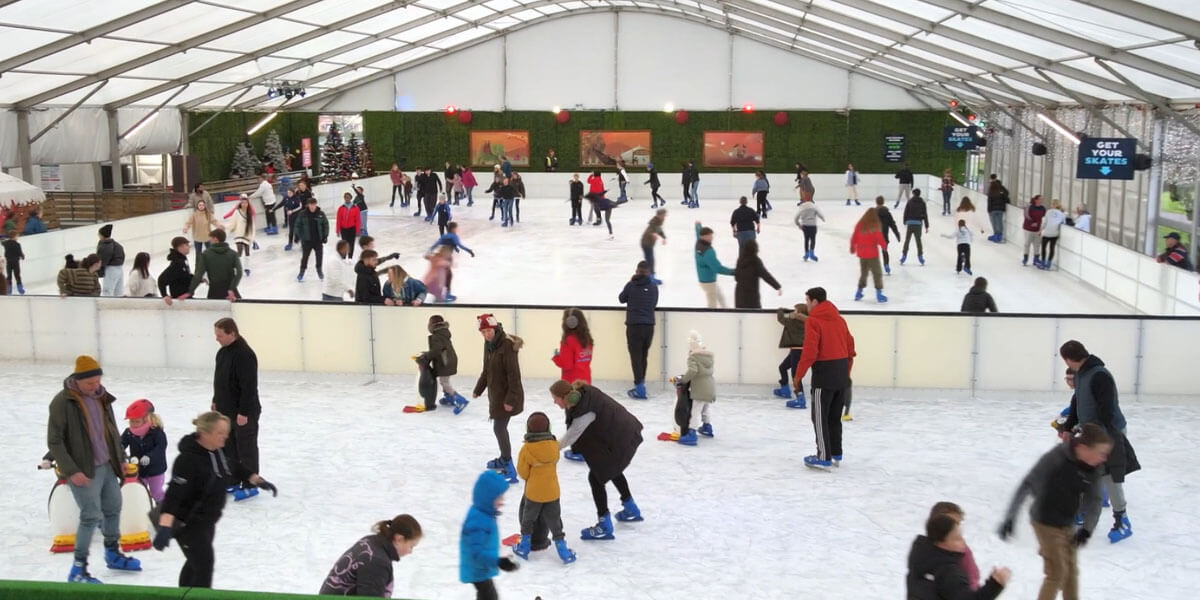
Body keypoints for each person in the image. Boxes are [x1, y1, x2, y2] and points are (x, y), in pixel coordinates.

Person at [151, 412, 276, 588]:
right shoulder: (187, 460)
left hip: (207, 522)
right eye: (220, 433)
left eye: (226, 432)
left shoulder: (217, 451)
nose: (226, 436)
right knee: (203, 567)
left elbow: (233, 467)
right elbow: (174, 494)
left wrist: (257, 480)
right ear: (205, 433)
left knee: (195, 564)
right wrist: (165, 526)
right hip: (188, 524)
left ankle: (182, 594)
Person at [47, 355, 142, 583]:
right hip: (83, 470)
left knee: (113, 507)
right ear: (77, 380)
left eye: (97, 381)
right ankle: (78, 569)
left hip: (107, 465)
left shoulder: (102, 398)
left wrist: (119, 458)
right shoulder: (62, 402)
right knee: (90, 516)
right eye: (89, 383)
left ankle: (112, 553)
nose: (94, 386)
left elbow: (111, 430)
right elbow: (55, 441)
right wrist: (71, 470)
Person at [998, 423, 1112, 600]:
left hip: (1067, 522)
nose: (1104, 458)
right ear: (1082, 448)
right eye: (1101, 453)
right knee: (1057, 572)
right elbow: (1027, 484)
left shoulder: (1094, 466)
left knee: (1071, 572)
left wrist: (1087, 529)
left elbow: (1095, 499)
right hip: (1044, 521)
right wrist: (1010, 518)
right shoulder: (1055, 459)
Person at [1056, 340, 1140, 543]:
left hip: (1109, 433)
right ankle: (1082, 510)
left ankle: (1122, 520)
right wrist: (1069, 427)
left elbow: (1107, 410)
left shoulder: (1099, 375)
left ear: (1068, 358)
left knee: (1109, 476)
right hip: (1092, 433)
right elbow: (1078, 402)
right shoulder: (1082, 374)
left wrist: (1097, 438)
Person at [549, 379, 644, 540]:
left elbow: (572, 435)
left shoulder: (585, 411)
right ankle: (631, 508)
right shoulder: (581, 397)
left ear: (565, 397)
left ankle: (605, 525)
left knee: (596, 477)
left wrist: (550, 448)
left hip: (620, 437)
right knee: (612, 469)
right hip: (620, 433)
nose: (554, 402)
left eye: (555, 398)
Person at [792, 287, 856, 469]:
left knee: (819, 416)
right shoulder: (840, 320)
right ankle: (836, 452)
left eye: (807, 301)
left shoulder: (813, 321)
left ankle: (823, 455)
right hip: (841, 372)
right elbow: (851, 349)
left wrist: (798, 376)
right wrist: (846, 372)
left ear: (814, 301)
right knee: (834, 416)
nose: (806, 305)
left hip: (824, 374)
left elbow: (810, 353)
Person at [210, 317, 265, 500]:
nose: (217, 339)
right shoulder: (223, 353)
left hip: (243, 412)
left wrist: (244, 412)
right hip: (225, 410)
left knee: (246, 449)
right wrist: (215, 400)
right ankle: (232, 480)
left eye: (220, 335)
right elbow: (220, 380)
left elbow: (249, 387)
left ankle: (250, 483)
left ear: (232, 333)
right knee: (229, 447)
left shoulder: (245, 355)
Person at [514, 412, 577, 564]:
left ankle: (524, 546)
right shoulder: (554, 446)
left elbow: (522, 472)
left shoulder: (527, 449)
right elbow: (555, 460)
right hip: (552, 492)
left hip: (533, 493)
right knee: (555, 521)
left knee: (528, 519)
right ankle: (563, 551)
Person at [473, 314, 525, 483]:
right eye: (483, 332)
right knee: (499, 428)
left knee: (499, 428)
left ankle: (508, 465)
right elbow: (486, 369)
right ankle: (505, 459)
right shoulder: (489, 345)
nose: (486, 335)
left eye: (488, 331)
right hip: (496, 395)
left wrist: (510, 400)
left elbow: (514, 376)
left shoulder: (507, 346)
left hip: (507, 395)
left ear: (495, 328)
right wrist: (479, 389)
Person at [907, 513, 1009, 599]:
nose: (963, 542)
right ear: (941, 543)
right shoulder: (949, 573)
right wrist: (995, 584)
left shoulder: (919, 558)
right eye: (957, 538)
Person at [319, 515, 422, 597]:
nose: (410, 552)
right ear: (399, 539)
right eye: (411, 546)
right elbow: (370, 597)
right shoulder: (376, 561)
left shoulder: (371, 542)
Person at [459, 470, 519, 600]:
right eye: (499, 497)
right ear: (488, 497)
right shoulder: (478, 521)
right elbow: (476, 552)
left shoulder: (484, 513)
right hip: (478, 569)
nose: (502, 500)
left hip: (481, 567)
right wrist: (498, 561)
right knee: (489, 596)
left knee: (488, 594)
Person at [620, 261, 658, 400]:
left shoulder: (631, 285)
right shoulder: (653, 287)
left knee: (635, 357)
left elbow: (621, 299)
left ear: (637, 271)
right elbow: (654, 303)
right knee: (643, 355)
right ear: (649, 272)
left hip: (634, 326)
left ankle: (639, 387)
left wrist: (631, 283)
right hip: (649, 326)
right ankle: (641, 385)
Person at [120, 398, 168, 503]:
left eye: (136, 421)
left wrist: (149, 457)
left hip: (156, 471)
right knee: (140, 493)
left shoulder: (156, 432)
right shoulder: (129, 433)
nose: (133, 424)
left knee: (156, 493)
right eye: (131, 421)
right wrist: (120, 451)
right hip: (139, 470)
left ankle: (164, 511)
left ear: (146, 419)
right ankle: (143, 511)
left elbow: (160, 448)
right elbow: (121, 444)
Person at [673, 331, 715, 445]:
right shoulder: (709, 356)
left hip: (700, 388)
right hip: (710, 386)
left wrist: (683, 380)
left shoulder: (693, 357)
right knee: (705, 407)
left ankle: (692, 434)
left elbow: (693, 371)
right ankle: (707, 427)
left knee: (696, 410)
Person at [180, 229, 242, 302]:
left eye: (211, 239)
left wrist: (190, 292)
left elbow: (198, 274)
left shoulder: (206, 254)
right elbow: (239, 273)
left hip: (215, 291)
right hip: (231, 293)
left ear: (215, 239)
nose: (210, 241)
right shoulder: (233, 253)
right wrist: (231, 289)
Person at [427, 314, 468, 412]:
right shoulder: (443, 333)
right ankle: (449, 398)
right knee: (445, 380)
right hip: (449, 360)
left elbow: (436, 350)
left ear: (433, 324)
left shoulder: (436, 336)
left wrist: (426, 356)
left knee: (444, 382)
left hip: (445, 362)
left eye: (429, 323)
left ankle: (460, 400)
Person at [850, 208, 888, 303]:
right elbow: (879, 237)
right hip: (872, 254)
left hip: (862, 253)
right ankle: (879, 294)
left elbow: (854, 236)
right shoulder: (875, 226)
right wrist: (884, 246)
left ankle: (859, 292)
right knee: (877, 273)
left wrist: (852, 246)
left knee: (864, 273)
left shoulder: (860, 225)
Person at [694, 222, 734, 308]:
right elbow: (718, 268)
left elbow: (698, 233)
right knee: (712, 305)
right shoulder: (708, 252)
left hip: (706, 280)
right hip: (709, 282)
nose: (712, 238)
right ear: (705, 236)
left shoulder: (699, 242)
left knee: (721, 297)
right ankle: (711, 318)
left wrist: (698, 226)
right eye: (710, 235)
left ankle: (726, 311)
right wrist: (734, 272)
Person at [774, 303, 808, 404]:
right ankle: (785, 390)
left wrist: (781, 309)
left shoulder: (793, 322)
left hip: (797, 351)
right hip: (799, 350)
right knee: (783, 367)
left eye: (795, 310)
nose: (793, 312)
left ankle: (800, 398)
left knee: (795, 375)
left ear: (799, 313)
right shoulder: (809, 322)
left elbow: (780, 318)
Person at [733, 239, 781, 309]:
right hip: (751, 295)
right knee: (755, 316)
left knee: (741, 317)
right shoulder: (755, 261)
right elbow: (765, 275)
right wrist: (777, 286)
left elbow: (737, 277)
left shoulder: (740, 259)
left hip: (739, 294)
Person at [552, 308, 594, 384]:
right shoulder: (588, 339)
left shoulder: (569, 340)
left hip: (572, 383)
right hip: (586, 380)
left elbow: (567, 365)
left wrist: (556, 357)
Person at [294, 197, 330, 282]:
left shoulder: (321, 214)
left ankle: (319, 270)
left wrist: (325, 236)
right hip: (307, 241)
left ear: (316, 204)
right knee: (305, 257)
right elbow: (297, 225)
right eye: (311, 204)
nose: (312, 206)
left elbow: (326, 225)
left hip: (318, 241)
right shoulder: (303, 214)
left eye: (314, 204)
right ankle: (301, 272)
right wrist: (299, 236)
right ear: (308, 205)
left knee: (319, 256)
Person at [223, 196, 255, 277]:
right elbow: (232, 223)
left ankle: (247, 267)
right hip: (238, 234)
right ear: (240, 204)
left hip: (247, 235)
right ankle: (237, 268)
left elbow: (252, 227)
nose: (244, 204)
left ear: (248, 204)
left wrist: (252, 237)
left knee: (247, 251)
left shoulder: (249, 214)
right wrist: (225, 227)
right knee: (240, 250)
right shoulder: (237, 212)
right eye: (243, 203)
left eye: (246, 203)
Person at [901, 189, 929, 265]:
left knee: (907, 240)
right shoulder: (922, 203)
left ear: (913, 194)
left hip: (910, 223)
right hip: (918, 223)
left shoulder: (910, 201)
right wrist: (926, 226)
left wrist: (904, 221)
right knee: (918, 241)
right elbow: (925, 214)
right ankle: (920, 256)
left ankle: (904, 255)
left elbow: (906, 211)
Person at [96, 224, 126, 297]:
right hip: (120, 269)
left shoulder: (105, 246)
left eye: (99, 234)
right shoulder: (117, 245)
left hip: (111, 269)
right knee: (118, 292)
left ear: (102, 235)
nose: (98, 235)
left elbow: (102, 260)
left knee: (107, 291)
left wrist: (98, 271)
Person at [875, 196, 901, 275]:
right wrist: (897, 234)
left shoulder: (873, 212)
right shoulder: (887, 213)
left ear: (876, 202)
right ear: (883, 202)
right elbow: (892, 224)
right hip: (884, 235)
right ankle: (886, 265)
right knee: (885, 251)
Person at [640, 209, 667, 284]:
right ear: (659, 215)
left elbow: (659, 231)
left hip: (649, 243)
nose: (664, 217)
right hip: (646, 243)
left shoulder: (658, 222)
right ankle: (650, 278)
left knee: (650, 260)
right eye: (663, 215)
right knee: (650, 261)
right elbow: (649, 231)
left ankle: (650, 277)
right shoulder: (654, 222)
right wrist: (653, 234)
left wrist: (664, 237)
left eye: (665, 215)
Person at [795, 197, 826, 262]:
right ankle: (812, 253)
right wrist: (823, 219)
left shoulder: (802, 207)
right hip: (813, 226)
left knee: (806, 239)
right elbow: (820, 214)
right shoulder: (814, 207)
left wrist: (798, 224)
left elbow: (796, 217)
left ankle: (806, 254)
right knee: (813, 239)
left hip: (805, 226)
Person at [1040, 200, 1067, 270]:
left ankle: (1043, 263)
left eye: (1051, 204)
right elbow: (1064, 224)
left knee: (1043, 248)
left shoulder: (1048, 212)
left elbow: (1045, 223)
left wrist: (1040, 230)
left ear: (1054, 205)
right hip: (1055, 234)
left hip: (1047, 233)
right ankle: (1048, 264)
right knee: (1052, 248)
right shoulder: (1062, 214)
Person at [1022, 195, 1047, 267]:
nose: (1041, 201)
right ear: (1036, 200)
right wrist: (1032, 222)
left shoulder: (1043, 208)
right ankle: (1025, 258)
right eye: (1040, 199)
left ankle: (1036, 259)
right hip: (1028, 228)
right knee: (1027, 243)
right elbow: (1026, 215)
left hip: (1037, 229)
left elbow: (1044, 217)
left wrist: (1040, 226)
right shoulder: (1029, 206)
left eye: (1042, 199)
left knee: (1037, 244)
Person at [337, 193, 362, 259]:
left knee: (351, 243)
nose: (347, 199)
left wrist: (358, 231)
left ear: (351, 198)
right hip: (343, 229)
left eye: (348, 197)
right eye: (345, 197)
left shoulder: (356, 208)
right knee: (344, 244)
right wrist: (338, 230)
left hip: (352, 229)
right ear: (344, 198)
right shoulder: (341, 208)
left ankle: (350, 257)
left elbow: (358, 220)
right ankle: (344, 256)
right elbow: (339, 219)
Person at [986, 178, 1009, 242]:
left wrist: (989, 210)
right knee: (999, 222)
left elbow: (989, 201)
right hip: (1000, 209)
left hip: (993, 209)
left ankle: (997, 235)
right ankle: (998, 235)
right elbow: (1006, 199)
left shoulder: (991, 192)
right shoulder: (1001, 191)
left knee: (994, 222)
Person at [3, 230, 25, 295]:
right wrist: (22, 256)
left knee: (9, 276)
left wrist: (5, 236)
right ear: (14, 236)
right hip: (15, 262)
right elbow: (20, 253)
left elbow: (2, 242)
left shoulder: (6, 243)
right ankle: (20, 288)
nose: (17, 237)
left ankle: (9, 289)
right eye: (17, 236)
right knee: (17, 275)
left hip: (9, 263)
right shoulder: (17, 245)